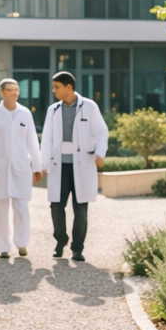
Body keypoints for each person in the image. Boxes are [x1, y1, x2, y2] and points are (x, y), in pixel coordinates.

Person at [40, 71, 108, 262]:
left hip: (82, 166)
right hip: (59, 167)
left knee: (81, 210)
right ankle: (60, 240)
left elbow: (102, 132)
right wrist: (43, 163)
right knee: (56, 207)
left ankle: (77, 248)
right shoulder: (53, 110)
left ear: (68, 87)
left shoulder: (89, 106)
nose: (53, 91)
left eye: (56, 87)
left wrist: (100, 154)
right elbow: (46, 139)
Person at [0, 79, 43, 258]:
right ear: (2, 92)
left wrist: (37, 166)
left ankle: (22, 243)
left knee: (21, 207)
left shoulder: (25, 113)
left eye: (16, 90)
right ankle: (3, 247)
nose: (14, 93)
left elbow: (32, 141)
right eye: (10, 90)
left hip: (21, 168)